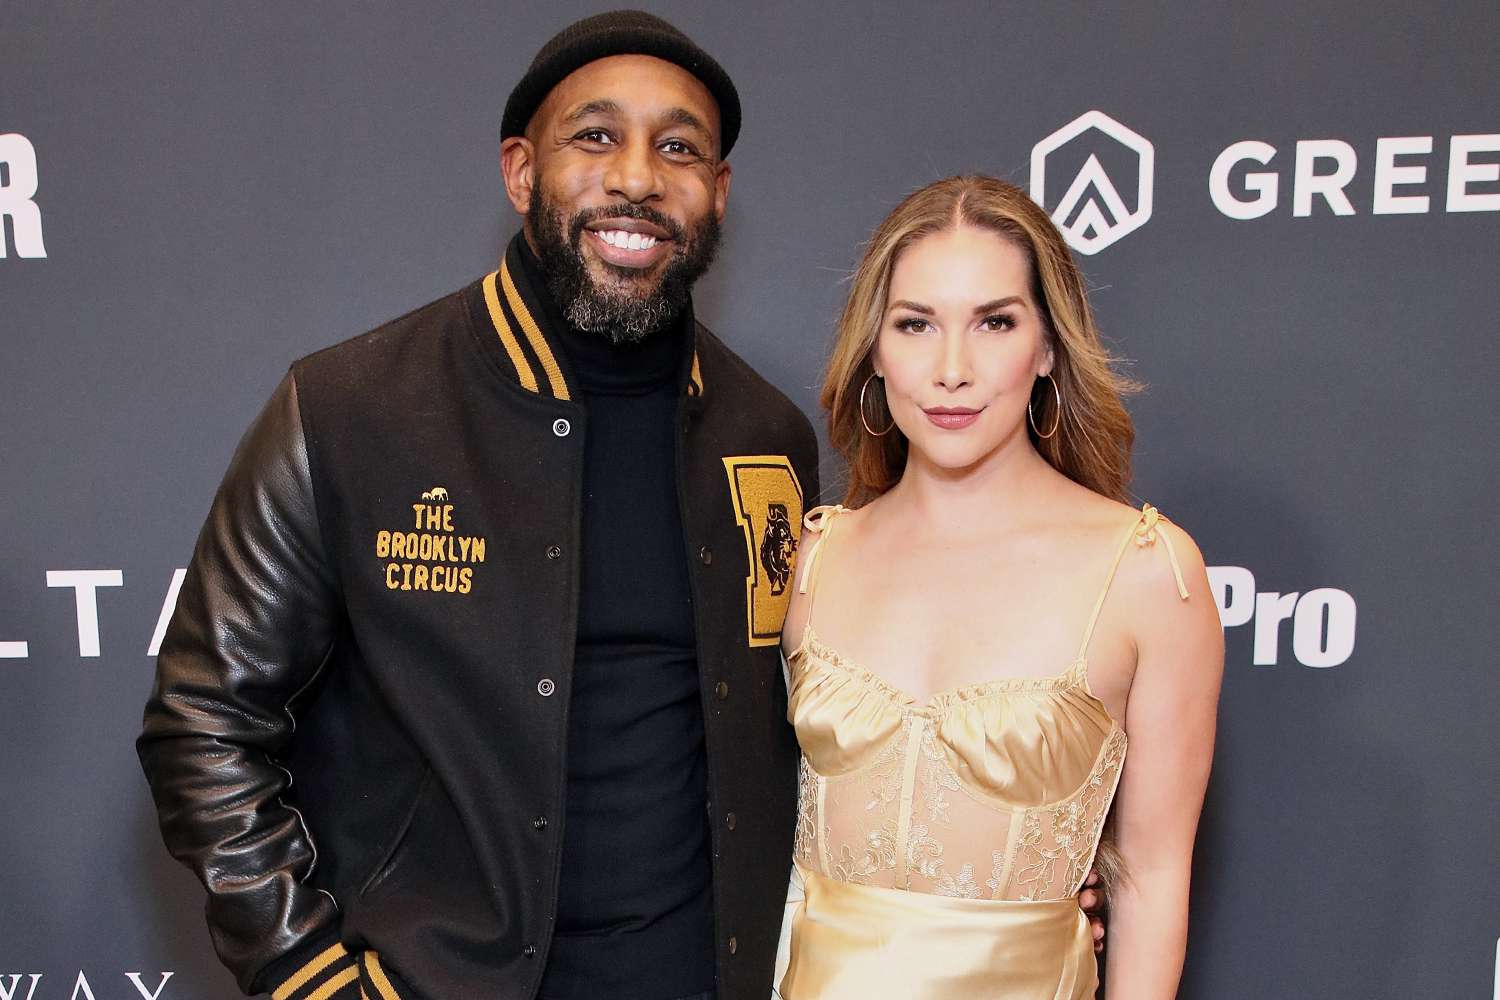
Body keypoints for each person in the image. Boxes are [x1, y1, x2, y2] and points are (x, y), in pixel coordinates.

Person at [135, 12, 821, 1000]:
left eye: (679, 146)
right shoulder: (346, 409)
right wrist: (307, 974)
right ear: (519, 170)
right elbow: (203, 716)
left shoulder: (767, 434)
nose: (636, 176)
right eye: (595, 135)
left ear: (715, 193)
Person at [773, 175, 1223, 998]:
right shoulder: (811, 560)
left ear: (1048, 347)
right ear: (874, 347)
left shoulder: (1147, 572)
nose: (952, 370)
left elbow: (1155, 883)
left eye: (994, 322)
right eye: (916, 324)